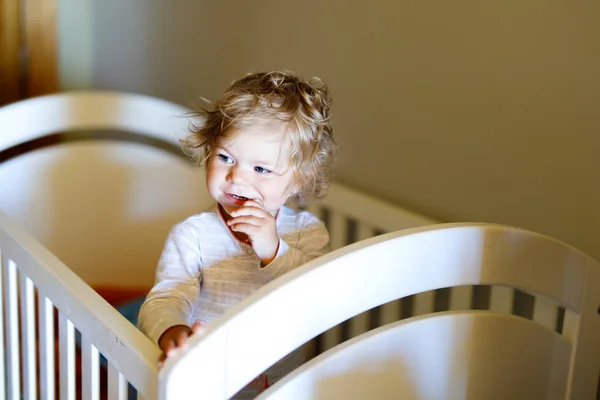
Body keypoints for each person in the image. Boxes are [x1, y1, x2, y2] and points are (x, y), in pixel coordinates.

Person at [138, 70, 337, 397]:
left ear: (298, 180)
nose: (236, 177)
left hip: (283, 385)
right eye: (225, 157)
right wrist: (174, 330)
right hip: (206, 382)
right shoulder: (193, 236)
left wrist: (274, 251)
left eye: (261, 169)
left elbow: (319, 299)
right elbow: (168, 296)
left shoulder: (306, 234)